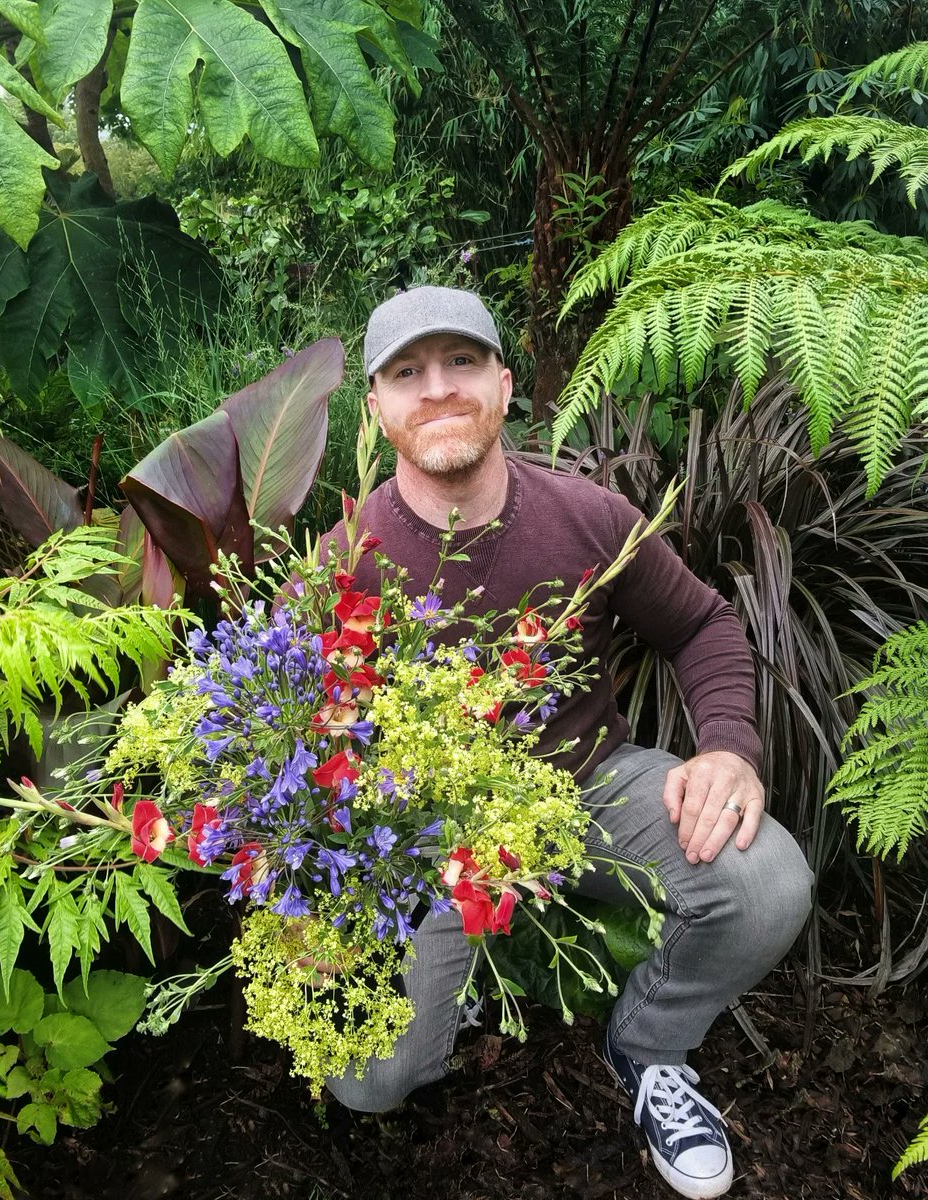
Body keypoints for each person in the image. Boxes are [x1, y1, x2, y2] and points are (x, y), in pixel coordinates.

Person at [318, 286, 813, 1200]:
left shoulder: (588, 517)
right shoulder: (347, 555)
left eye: (462, 363)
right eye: (407, 372)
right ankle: (457, 984)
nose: (439, 389)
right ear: (377, 409)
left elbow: (702, 625)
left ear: (504, 386)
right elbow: (309, 738)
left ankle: (650, 1045)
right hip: (434, 835)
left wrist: (729, 749)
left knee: (767, 880)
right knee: (369, 1082)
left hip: (587, 785)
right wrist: (316, 892)